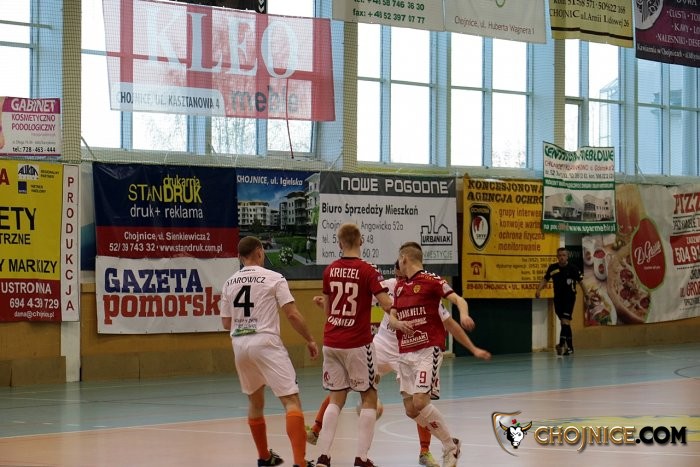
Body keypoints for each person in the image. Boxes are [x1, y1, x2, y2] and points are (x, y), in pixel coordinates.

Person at [307, 260, 445, 467]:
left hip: (408, 351)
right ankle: (316, 430)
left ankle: (424, 451)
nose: (399, 279)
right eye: (397, 275)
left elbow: (443, 320)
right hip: (381, 346)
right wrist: (329, 303)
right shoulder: (388, 286)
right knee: (342, 387)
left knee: (418, 403)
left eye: (402, 276)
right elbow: (356, 300)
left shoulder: (427, 291)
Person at [389, 242, 491, 467]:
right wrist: (398, 323)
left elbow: (459, 299)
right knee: (410, 410)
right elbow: (392, 316)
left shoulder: (432, 281)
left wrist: (464, 315)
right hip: (405, 352)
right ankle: (451, 442)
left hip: (428, 349)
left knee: (420, 401)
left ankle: (449, 447)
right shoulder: (399, 287)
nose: (398, 263)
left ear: (404, 259)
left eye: (399, 259)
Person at [220, 236, 319, 467]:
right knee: (291, 401)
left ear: (240, 257)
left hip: (240, 344)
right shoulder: (274, 278)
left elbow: (226, 323)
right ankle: (300, 463)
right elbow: (292, 314)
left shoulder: (229, 283)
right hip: (265, 342)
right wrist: (310, 339)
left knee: (255, 402)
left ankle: (264, 457)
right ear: (259, 252)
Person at [315, 223, 393, 467]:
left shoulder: (330, 269)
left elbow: (328, 309)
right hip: (357, 343)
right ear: (361, 241)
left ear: (339, 243)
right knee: (369, 396)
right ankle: (362, 458)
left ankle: (323, 456)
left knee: (336, 399)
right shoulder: (368, 270)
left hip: (331, 341)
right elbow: (386, 304)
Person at [535, 247, 587, 356]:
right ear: (557, 257)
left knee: (565, 321)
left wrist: (587, 294)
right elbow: (545, 279)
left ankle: (561, 345)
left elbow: (581, 282)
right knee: (565, 323)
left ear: (567, 257)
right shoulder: (553, 268)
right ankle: (570, 348)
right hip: (558, 299)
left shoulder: (573, 268)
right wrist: (539, 290)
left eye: (564, 255)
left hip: (569, 298)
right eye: (560, 255)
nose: (562, 257)